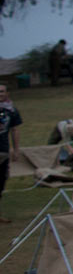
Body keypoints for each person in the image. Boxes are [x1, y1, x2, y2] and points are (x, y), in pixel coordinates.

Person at [0, 83, 21, 222]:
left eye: (2, 91)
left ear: (7, 93)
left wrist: (16, 149)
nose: (0, 94)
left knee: (1, 183)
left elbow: (14, 129)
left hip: (3, 151)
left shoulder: (11, 110)